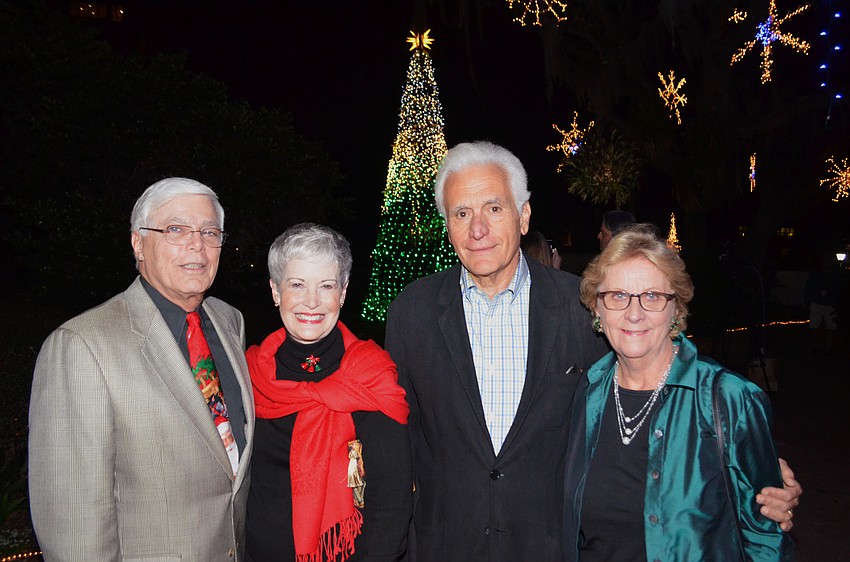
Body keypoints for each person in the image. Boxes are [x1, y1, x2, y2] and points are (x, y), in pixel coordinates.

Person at [384, 141, 801, 562]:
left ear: (523, 216)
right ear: (447, 224)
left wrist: (750, 469)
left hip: (552, 547)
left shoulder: (585, 307)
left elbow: (659, 377)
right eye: (461, 213)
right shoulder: (411, 313)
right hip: (445, 547)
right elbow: (391, 436)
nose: (477, 229)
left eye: (494, 208)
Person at [29, 178, 254, 560]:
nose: (196, 244)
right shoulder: (81, 346)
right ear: (138, 243)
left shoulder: (229, 321)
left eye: (209, 232)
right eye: (176, 229)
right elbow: (73, 528)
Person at [564, 224, 794, 560]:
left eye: (652, 296)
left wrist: (781, 490)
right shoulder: (587, 392)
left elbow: (767, 539)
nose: (633, 312)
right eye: (617, 296)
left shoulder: (729, 399)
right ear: (597, 309)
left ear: (676, 310)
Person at [245, 223, 412, 562]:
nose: (311, 301)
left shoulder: (370, 374)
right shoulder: (249, 373)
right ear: (276, 291)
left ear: (343, 292)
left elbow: (392, 502)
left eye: (326, 286)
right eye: (297, 285)